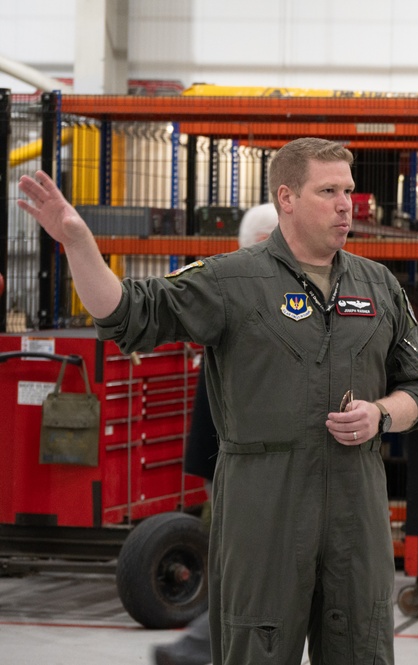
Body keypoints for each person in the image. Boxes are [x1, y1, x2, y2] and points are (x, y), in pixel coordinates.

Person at [18, 137, 418, 665]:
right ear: (286, 198)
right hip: (264, 509)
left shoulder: (377, 285)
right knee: (255, 650)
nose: (345, 205)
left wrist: (382, 414)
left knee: (364, 648)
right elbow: (127, 314)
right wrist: (78, 243)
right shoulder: (232, 281)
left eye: (349, 191)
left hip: (356, 511)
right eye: (328, 190)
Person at [152, 203, 280, 665]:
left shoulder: (240, 285)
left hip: (238, 455)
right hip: (238, 458)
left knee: (251, 564)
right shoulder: (244, 289)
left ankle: (203, 647)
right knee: (253, 565)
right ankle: (197, 647)